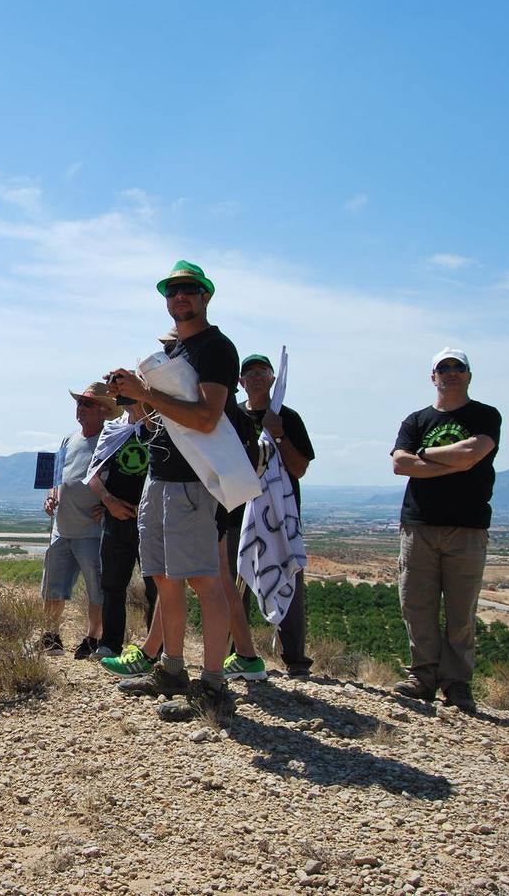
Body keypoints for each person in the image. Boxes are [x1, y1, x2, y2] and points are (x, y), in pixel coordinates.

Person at [106, 260, 246, 726]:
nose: (179, 298)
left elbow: (206, 417)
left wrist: (146, 390)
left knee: (205, 581)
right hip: (161, 475)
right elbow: (167, 413)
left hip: (192, 481)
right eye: (172, 291)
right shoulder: (176, 347)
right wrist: (136, 395)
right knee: (164, 578)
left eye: (188, 290)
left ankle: (212, 684)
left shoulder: (216, 348)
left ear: (206, 296)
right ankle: (171, 670)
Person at [390, 347, 500, 712]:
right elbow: (400, 464)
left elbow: (473, 452)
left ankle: (456, 684)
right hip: (418, 525)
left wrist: (425, 456)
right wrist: (454, 463)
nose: (451, 373)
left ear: (469, 375)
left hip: (467, 527)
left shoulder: (485, 415)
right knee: (416, 605)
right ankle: (422, 676)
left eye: (459, 367)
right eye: (444, 367)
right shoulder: (416, 420)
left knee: (461, 610)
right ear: (433, 376)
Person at [224, 354, 316, 678]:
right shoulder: (231, 416)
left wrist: (277, 434)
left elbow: (300, 468)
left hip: (279, 513)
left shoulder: (287, 417)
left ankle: (296, 660)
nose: (257, 377)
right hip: (235, 512)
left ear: (273, 378)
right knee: (235, 586)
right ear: (240, 382)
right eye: (249, 372)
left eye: (263, 371)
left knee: (287, 577)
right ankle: (237, 655)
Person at [40, 383, 118, 657]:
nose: (80, 409)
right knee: (52, 585)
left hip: (93, 531)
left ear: (103, 410)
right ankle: (51, 636)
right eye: (79, 403)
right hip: (62, 527)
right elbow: (56, 478)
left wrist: (108, 505)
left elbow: (121, 482)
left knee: (96, 589)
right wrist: (51, 496)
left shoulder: (110, 442)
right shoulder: (68, 440)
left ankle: (92, 639)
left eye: (86, 404)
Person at [89, 401, 158, 660]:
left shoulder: (158, 427)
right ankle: (110, 643)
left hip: (152, 520)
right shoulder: (113, 431)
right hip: (116, 519)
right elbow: (94, 473)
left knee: (157, 586)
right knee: (112, 584)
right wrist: (109, 502)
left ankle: (157, 648)